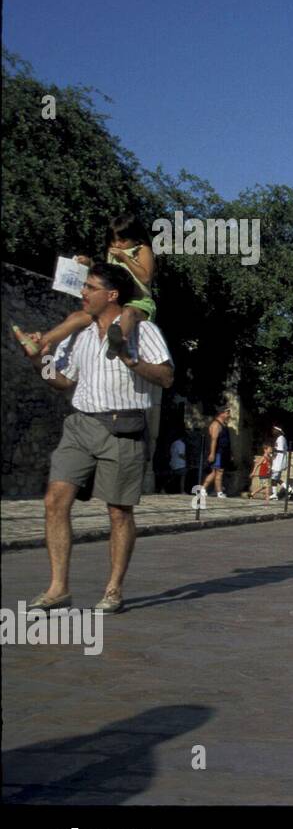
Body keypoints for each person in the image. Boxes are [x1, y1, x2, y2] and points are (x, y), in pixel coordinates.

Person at [10, 262, 174, 614]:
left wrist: (131, 362)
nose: (82, 292)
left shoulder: (143, 331)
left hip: (123, 427)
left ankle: (113, 589)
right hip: (81, 425)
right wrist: (40, 363)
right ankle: (58, 589)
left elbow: (165, 377)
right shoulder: (78, 335)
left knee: (118, 512)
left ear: (111, 295)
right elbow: (64, 381)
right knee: (55, 499)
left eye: (90, 287)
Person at [31, 214, 158, 363]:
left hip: (138, 301)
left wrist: (126, 259)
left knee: (128, 313)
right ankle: (42, 341)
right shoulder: (113, 253)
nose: (117, 244)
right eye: (113, 240)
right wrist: (90, 264)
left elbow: (146, 277)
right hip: (115, 300)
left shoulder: (141, 250)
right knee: (77, 317)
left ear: (135, 238)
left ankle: (118, 343)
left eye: (122, 241)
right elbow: (107, 276)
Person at [200, 406, 233, 498]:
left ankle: (204, 489)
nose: (228, 414)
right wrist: (212, 453)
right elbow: (214, 440)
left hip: (223, 452)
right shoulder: (216, 425)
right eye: (227, 412)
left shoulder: (224, 425)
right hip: (218, 452)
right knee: (219, 471)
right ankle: (219, 492)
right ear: (221, 413)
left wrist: (230, 453)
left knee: (215, 472)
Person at [269, 425, 289, 499]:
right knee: (275, 478)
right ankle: (275, 494)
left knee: (274, 478)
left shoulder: (281, 439)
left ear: (278, 431)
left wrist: (273, 450)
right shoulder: (280, 438)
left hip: (278, 461)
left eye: (274, 430)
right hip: (277, 461)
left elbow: (280, 450)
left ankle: (288, 488)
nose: (273, 432)